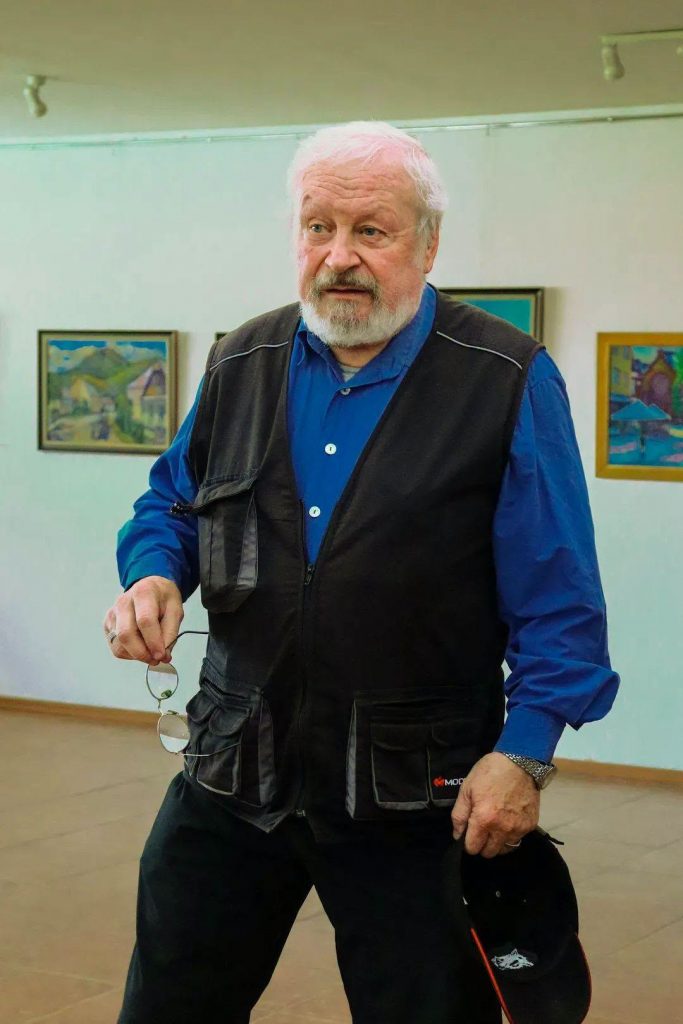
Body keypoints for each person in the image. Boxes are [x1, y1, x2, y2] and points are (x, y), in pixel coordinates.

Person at [106, 121, 619, 1024]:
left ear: (427, 243)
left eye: (370, 230)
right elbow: (174, 505)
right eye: (318, 227)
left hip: (415, 798)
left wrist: (525, 753)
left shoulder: (504, 377)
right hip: (234, 771)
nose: (338, 256)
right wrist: (154, 575)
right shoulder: (240, 360)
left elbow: (559, 597)